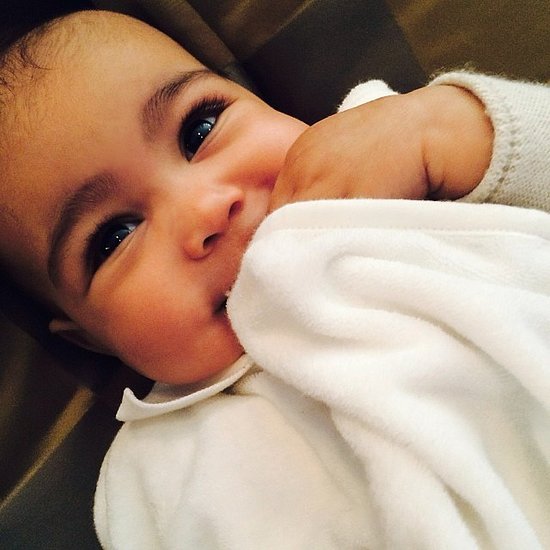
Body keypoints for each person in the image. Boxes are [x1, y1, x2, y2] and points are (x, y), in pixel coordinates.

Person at [0, 9, 548, 549]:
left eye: (200, 129)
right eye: (114, 237)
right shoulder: (156, 472)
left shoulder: (393, 152)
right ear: (92, 339)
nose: (205, 210)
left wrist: (456, 132)